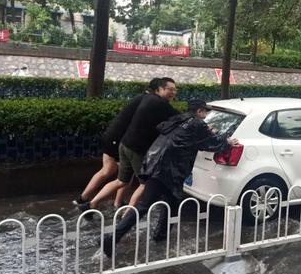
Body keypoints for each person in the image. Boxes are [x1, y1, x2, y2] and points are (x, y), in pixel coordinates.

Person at [98, 99, 238, 259]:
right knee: (145, 205)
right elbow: (211, 142)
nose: (206, 116)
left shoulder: (180, 119)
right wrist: (227, 141)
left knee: (172, 202)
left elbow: (188, 138)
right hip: (166, 170)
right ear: (200, 111)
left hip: (156, 163)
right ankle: (111, 238)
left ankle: (160, 236)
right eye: (205, 113)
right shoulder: (196, 124)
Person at [77, 77, 179, 218]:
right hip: (125, 143)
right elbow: (179, 118)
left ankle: (96, 204)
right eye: (170, 89)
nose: (173, 93)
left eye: (175, 90)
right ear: (158, 89)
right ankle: (125, 216)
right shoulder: (157, 102)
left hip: (124, 143)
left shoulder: (145, 98)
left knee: (123, 179)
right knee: (141, 183)